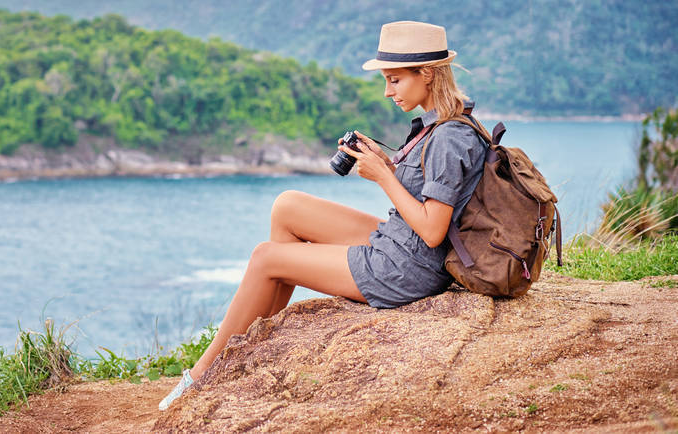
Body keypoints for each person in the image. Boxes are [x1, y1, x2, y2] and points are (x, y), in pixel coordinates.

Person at [158, 20, 488, 411]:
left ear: (428, 73)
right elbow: (428, 194)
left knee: (266, 258)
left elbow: (434, 230)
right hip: (400, 241)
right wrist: (387, 163)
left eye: (395, 80)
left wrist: (383, 177)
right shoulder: (441, 125)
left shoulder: (450, 136)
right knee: (288, 206)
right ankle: (259, 335)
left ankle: (201, 377)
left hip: (408, 268)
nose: (388, 91)